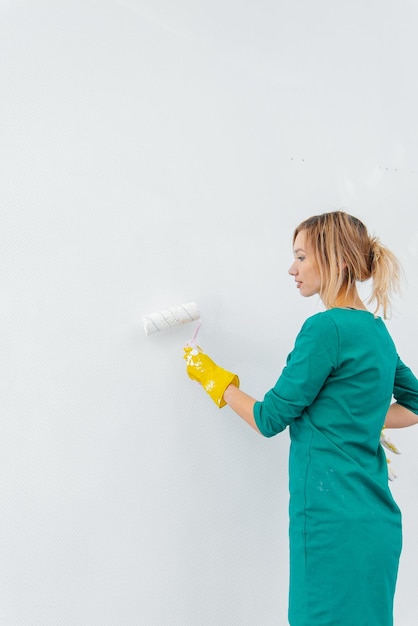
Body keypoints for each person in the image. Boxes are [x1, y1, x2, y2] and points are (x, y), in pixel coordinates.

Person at [183, 211, 418, 626]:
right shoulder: (377, 332)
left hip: (332, 526)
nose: (292, 269)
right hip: (377, 524)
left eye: (302, 257)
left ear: (337, 262)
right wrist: (357, 413)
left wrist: (215, 380)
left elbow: (269, 418)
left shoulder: (324, 329)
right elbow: (415, 405)